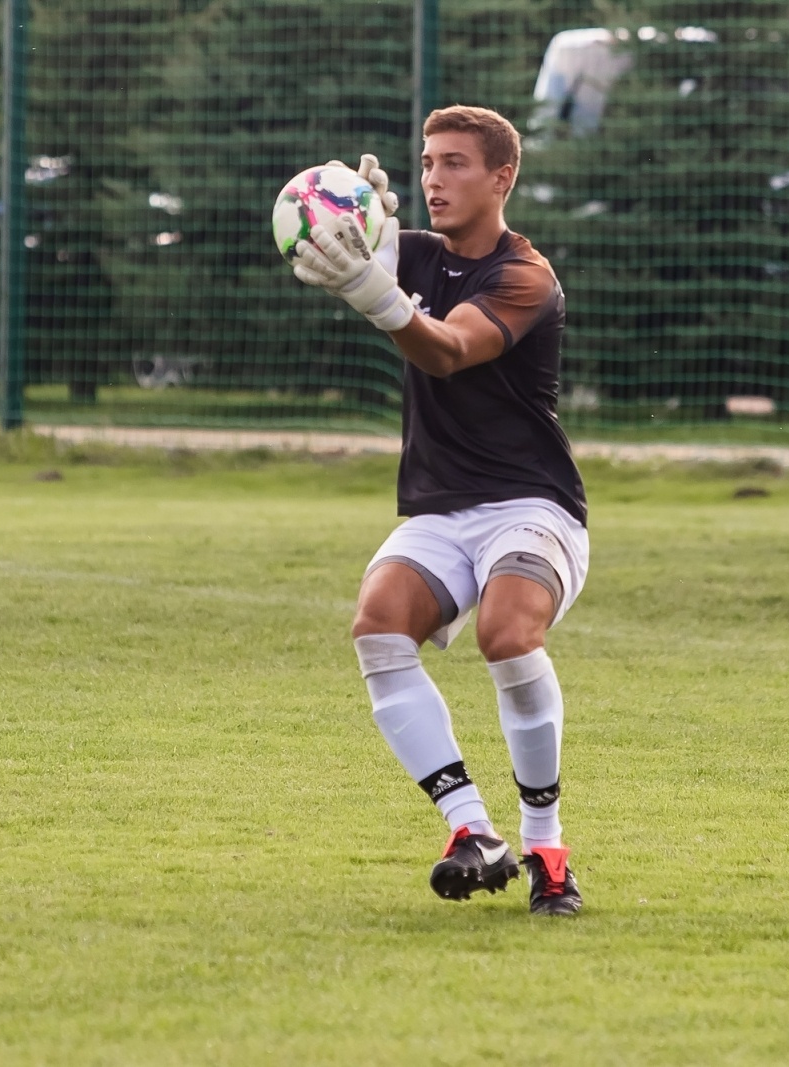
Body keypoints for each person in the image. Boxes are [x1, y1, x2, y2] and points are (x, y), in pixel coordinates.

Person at [291, 105, 588, 916]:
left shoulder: (525, 278)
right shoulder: (410, 251)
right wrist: (355, 239)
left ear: (502, 177)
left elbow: (449, 350)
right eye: (426, 163)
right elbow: (355, 251)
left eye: (455, 163)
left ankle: (548, 849)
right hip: (440, 508)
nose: (432, 179)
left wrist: (374, 293)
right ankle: (472, 832)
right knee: (379, 624)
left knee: (507, 632)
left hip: (535, 505)